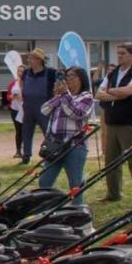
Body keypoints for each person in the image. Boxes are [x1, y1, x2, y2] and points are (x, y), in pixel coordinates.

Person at [95, 42, 132, 201]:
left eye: (123, 53)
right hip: (111, 123)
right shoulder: (112, 73)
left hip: (129, 124)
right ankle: (113, 193)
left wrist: (110, 92)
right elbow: (98, 94)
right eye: (118, 53)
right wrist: (116, 94)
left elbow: (128, 91)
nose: (119, 56)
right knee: (111, 161)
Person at [39, 67, 94, 205]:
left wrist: (65, 95)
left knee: (75, 184)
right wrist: (58, 95)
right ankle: (45, 209)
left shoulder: (86, 97)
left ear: (81, 79)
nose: (67, 79)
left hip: (75, 147)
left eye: (71, 76)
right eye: (66, 76)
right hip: (55, 146)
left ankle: (77, 213)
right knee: (44, 181)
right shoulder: (62, 96)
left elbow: (76, 113)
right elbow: (44, 109)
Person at [20, 48, 57, 165]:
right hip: (28, 106)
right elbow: (21, 83)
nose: (29, 60)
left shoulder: (51, 72)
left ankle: (50, 153)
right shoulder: (26, 72)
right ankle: (26, 156)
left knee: (47, 131)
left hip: (44, 106)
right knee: (26, 131)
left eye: (31, 58)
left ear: (39, 60)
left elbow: (57, 87)